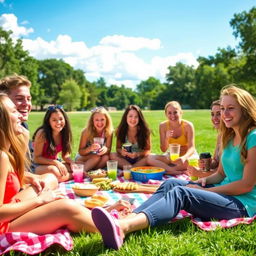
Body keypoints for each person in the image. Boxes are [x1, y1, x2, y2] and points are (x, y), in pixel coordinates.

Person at [92, 84, 256, 250]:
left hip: (242, 203)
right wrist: (203, 181)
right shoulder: (229, 137)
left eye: (230, 108)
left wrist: (203, 191)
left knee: (182, 193)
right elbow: (220, 174)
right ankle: (129, 216)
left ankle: (123, 228)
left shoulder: (253, 137)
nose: (224, 114)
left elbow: (246, 185)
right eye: (222, 109)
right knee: (171, 184)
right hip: (223, 190)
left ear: (244, 109)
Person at [0, 93, 131, 235]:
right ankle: (118, 226)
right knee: (65, 207)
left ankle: (100, 215)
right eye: (14, 111)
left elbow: (7, 177)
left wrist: (28, 177)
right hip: (4, 225)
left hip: (12, 206)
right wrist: (40, 201)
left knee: (48, 180)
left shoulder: (6, 151)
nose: (20, 115)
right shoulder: (2, 156)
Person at [0, 74, 57, 191]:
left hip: (16, 184)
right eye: (20, 99)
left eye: (29, 99)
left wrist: (33, 178)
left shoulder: (22, 127)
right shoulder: (7, 133)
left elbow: (20, 172)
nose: (27, 104)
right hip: (9, 197)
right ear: (4, 101)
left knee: (51, 178)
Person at [147, 101, 195, 175]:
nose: (173, 115)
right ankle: (172, 170)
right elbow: (163, 149)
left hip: (186, 157)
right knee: (149, 158)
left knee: (192, 163)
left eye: (175, 112)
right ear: (166, 114)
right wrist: (166, 138)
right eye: (169, 113)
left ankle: (166, 169)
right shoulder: (163, 126)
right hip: (172, 156)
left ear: (181, 112)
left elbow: (192, 148)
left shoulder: (188, 126)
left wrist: (184, 157)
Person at [33, 105, 74, 182]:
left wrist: (72, 163)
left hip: (54, 162)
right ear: (49, 121)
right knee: (54, 171)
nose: (58, 122)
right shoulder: (42, 134)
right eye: (54, 120)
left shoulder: (65, 133)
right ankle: (75, 175)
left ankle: (72, 174)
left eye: (61, 119)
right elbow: (36, 158)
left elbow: (65, 155)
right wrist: (56, 163)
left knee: (76, 166)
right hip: (37, 165)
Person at [75, 106, 113, 172]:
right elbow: (81, 152)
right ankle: (83, 171)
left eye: (102, 119)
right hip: (84, 157)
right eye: (96, 120)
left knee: (106, 158)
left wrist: (106, 149)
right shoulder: (86, 132)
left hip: (98, 157)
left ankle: (91, 170)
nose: (100, 123)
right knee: (96, 157)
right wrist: (90, 148)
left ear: (107, 120)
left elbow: (108, 150)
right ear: (92, 121)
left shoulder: (109, 132)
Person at [199, 100, 221, 170]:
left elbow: (222, 174)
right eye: (212, 114)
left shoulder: (233, 138)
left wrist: (198, 173)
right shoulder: (220, 136)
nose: (214, 118)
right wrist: (207, 163)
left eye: (219, 114)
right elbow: (216, 161)